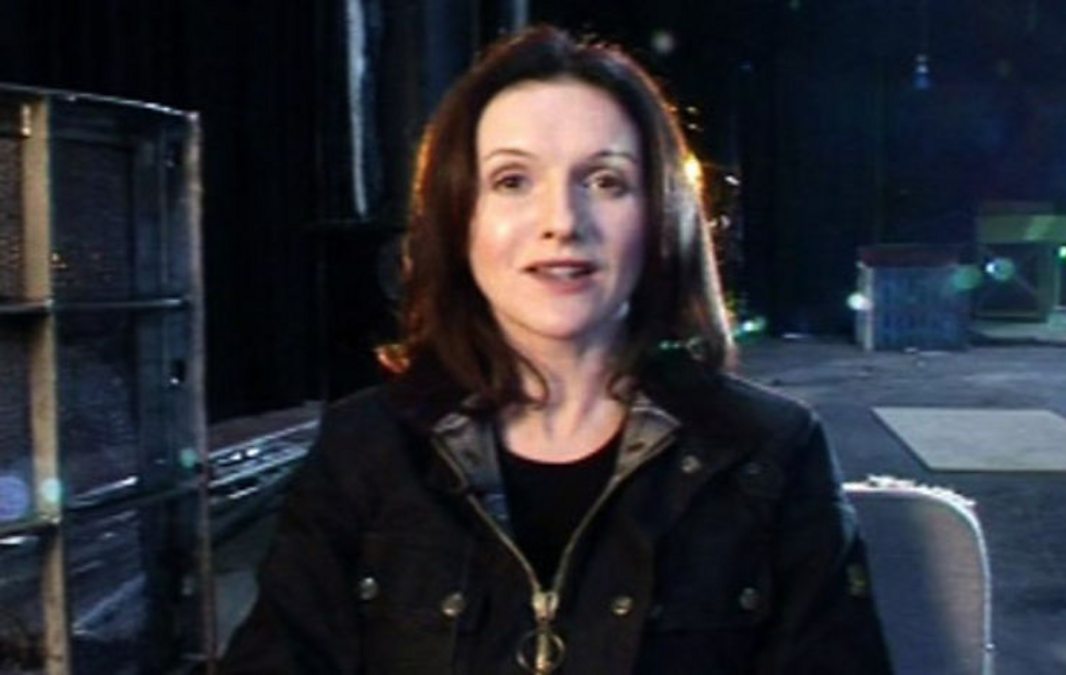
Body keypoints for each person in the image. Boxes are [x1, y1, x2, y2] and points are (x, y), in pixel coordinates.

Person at [220, 25, 893, 674]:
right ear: (459, 218)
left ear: (660, 219)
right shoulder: (364, 448)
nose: (562, 222)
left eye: (605, 181)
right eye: (512, 181)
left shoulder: (769, 451)